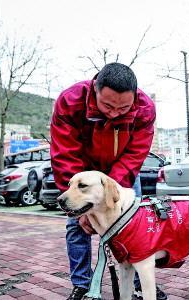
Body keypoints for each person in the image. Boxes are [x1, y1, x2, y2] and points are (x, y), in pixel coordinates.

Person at [50, 63, 167, 300]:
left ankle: (137, 282)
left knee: (133, 224)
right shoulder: (70, 101)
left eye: (123, 107)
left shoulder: (145, 109)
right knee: (76, 226)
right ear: (95, 88)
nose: (114, 113)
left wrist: (113, 191)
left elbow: (135, 154)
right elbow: (65, 155)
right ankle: (82, 285)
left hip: (121, 173)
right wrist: (83, 208)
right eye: (107, 105)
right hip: (82, 170)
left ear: (134, 98)